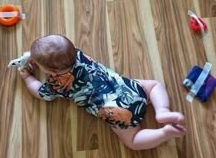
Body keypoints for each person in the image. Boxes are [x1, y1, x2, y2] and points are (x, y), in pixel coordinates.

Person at [19, 34, 186, 150]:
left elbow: (40, 92)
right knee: (154, 85)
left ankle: (164, 133)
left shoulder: (56, 84)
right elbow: (58, 54)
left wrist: (27, 78)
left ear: (52, 73)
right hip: (129, 89)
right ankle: (162, 110)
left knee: (133, 141)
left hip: (118, 112)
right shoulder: (77, 54)